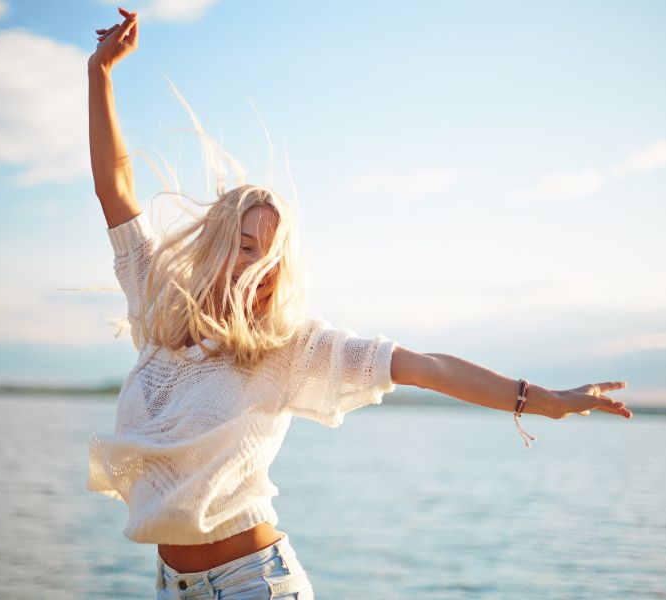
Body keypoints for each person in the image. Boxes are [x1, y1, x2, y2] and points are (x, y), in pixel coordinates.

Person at [85, 8, 633, 599]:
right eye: (245, 247)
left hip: (252, 584)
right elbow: (115, 189)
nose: (257, 270)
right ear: (217, 243)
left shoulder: (289, 348)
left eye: (271, 260)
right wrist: (101, 74)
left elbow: (425, 367)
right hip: (172, 586)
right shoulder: (159, 306)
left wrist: (540, 400)